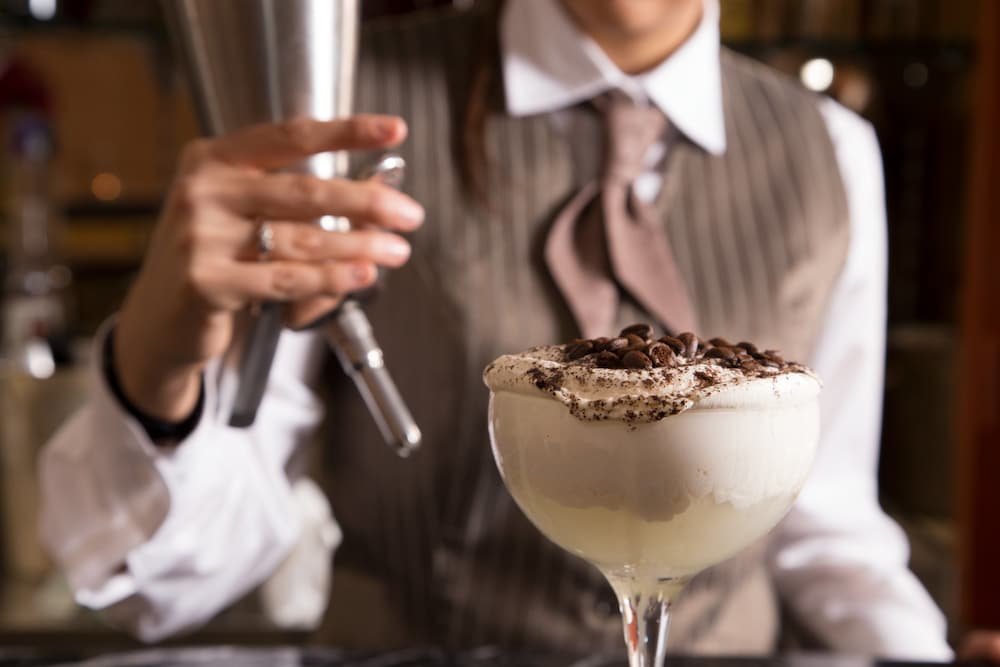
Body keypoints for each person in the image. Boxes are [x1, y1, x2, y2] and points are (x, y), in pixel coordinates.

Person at [36, 0, 986, 659]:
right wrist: (158, 358)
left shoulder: (831, 150)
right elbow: (173, 579)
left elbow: (823, 521)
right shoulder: (342, 113)